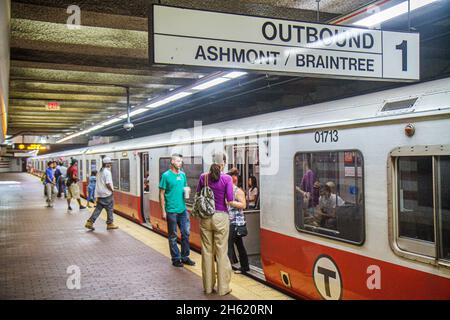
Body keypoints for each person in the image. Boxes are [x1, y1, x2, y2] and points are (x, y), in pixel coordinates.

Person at [196, 152, 233, 296]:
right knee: (221, 252)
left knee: (207, 252)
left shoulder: (203, 177)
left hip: (205, 218)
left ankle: (208, 287)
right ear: (223, 163)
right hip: (221, 217)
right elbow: (229, 199)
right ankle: (223, 288)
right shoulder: (227, 178)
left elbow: (199, 194)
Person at [159, 154, 195, 268]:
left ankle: (185, 257)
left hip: (183, 210)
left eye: (181, 161)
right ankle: (175, 258)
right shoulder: (166, 176)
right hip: (171, 210)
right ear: (172, 162)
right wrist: (163, 211)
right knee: (173, 235)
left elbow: (185, 188)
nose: (180, 163)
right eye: (178, 161)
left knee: (185, 233)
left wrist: (187, 190)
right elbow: (161, 194)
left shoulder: (183, 175)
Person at [84, 157, 118, 230]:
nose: (111, 164)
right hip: (106, 193)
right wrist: (112, 190)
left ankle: (90, 222)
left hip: (100, 193)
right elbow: (108, 183)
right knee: (110, 208)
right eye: (110, 163)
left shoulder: (100, 171)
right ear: (107, 164)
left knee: (98, 208)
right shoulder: (107, 172)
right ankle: (110, 223)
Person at [227, 168, 250, 274]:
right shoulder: (229, 189)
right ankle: (244, 267)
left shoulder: (238, 191)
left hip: (235, 222)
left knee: (229, 244)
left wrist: (231, 203)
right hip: (231, 221)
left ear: (234, 178)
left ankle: (228, 267)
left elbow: (243, 205)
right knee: (239, 244)